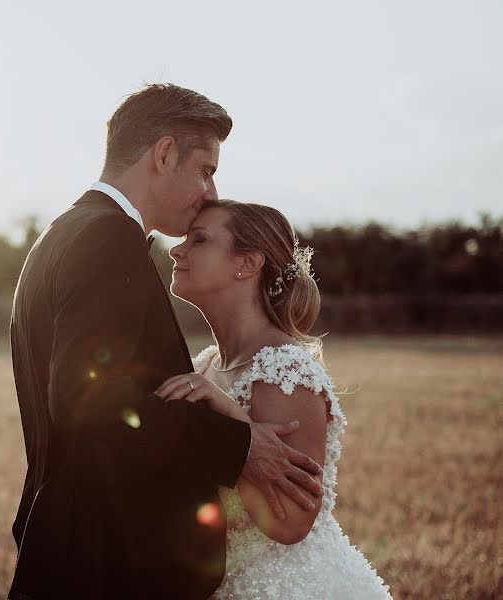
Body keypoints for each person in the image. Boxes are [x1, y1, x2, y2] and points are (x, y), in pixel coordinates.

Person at [8, 84, 323, 600]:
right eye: (206, 169)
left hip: (78, 549)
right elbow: (88, 402)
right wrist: (240, 445)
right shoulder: (107, 239)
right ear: (164, 154)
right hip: (108, 563)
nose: (211, 192)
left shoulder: (64, 231)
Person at [157, 200, 392, 598]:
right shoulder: (204, 365)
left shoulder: (285, 371)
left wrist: (230, 414)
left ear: (247, 264)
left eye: (199, 240)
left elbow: (290, 523)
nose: (175, 250)